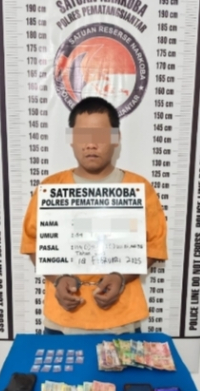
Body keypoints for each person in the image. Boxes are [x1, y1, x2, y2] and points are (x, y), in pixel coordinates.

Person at [20, 97, 168, 334]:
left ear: (116, 138)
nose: (90, 144)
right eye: (82, 136)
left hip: (123, 321)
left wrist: (121, 278)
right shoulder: (50, 188)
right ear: (71, 139)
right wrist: (58, 279)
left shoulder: (140, 188)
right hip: (62, 322)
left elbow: (154, 246)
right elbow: (33, 243)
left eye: (100, 135)